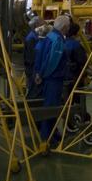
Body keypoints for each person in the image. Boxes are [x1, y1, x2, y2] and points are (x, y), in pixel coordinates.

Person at [33, 13, 72, 141]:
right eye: (68, 26)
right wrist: (43, 74)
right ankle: (47, 137)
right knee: (51, 109)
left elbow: (41, 56)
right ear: (64, 27)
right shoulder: (58, 40)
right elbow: (52, 61)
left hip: (49, 78)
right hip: (53, 79)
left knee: (49, 107)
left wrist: (38, 73)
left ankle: (52, 133)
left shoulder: (49, 36)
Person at [23, 16, 41, 88]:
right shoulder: (31, 38)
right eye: (42, 23)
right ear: (36, 25)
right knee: (33, 89)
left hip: (33, 69)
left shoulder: (34, 36)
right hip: (32, 70)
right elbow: (31, 57)